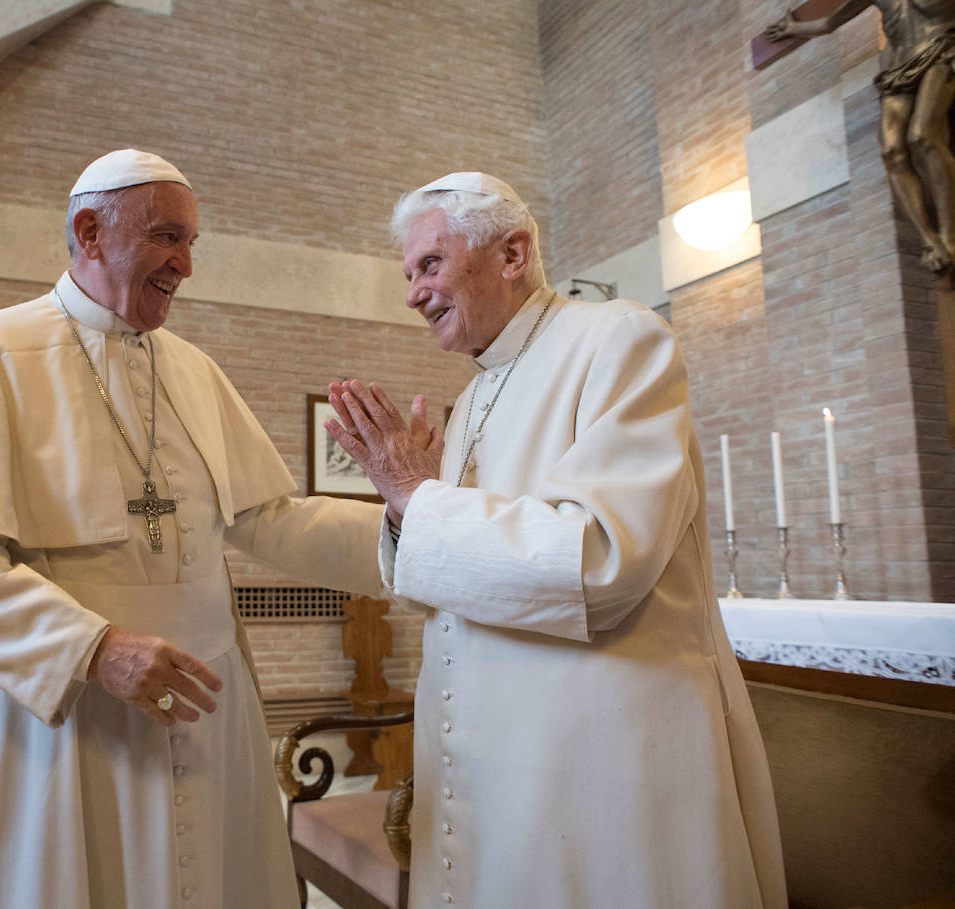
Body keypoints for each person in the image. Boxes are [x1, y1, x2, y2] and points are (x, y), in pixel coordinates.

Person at [0, 149, 384, 909]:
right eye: (169, 237)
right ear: (90, 231)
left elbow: (269, 518)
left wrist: (407, 524)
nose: (186, 265)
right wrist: (94, 648)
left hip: (206, 707)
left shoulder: (194, 369)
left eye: (193, 243)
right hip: (67, 720)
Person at [324, 172, 788, 908]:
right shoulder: (477, 390)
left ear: (513, 252)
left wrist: (419, 496)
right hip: (500, 762)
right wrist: (406, 508)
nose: (413, 291)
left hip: (601, 767)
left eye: (431, 264)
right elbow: (468, 574)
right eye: (408, 273)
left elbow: (601, 556)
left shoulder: (618, 339)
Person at [767, 0, 955, 273]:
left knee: (922, 135)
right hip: (899, 69)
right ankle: (929, 240)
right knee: (891, 150)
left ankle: (950, 235)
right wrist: (794, 27)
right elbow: (831, 22)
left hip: (941, 52)